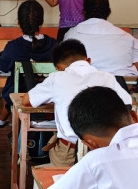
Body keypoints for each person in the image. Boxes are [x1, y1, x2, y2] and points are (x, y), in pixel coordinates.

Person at [23, 39, 131, 167]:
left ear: (58, 68)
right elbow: (128, 104)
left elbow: (27, 100)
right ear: (88, 61)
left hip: (70, 151)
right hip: (105, 151)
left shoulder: (56, 78)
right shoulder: (107, 77)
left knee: (56, 160)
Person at [0, 0, 58, 127]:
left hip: (20, 96)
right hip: (49, 95)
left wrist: (0, 57)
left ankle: (2, 120)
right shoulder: (54, 45)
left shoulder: (14, 47)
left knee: (11, 88)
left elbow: (2, 66)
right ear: (41, 21)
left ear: (19, 22)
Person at [64, 0, 138, 76]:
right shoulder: (128, 38)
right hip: (118, 84)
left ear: (84, 12)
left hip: (84, 83)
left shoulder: (71, 34)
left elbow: (65, 65)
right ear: (109, 12)